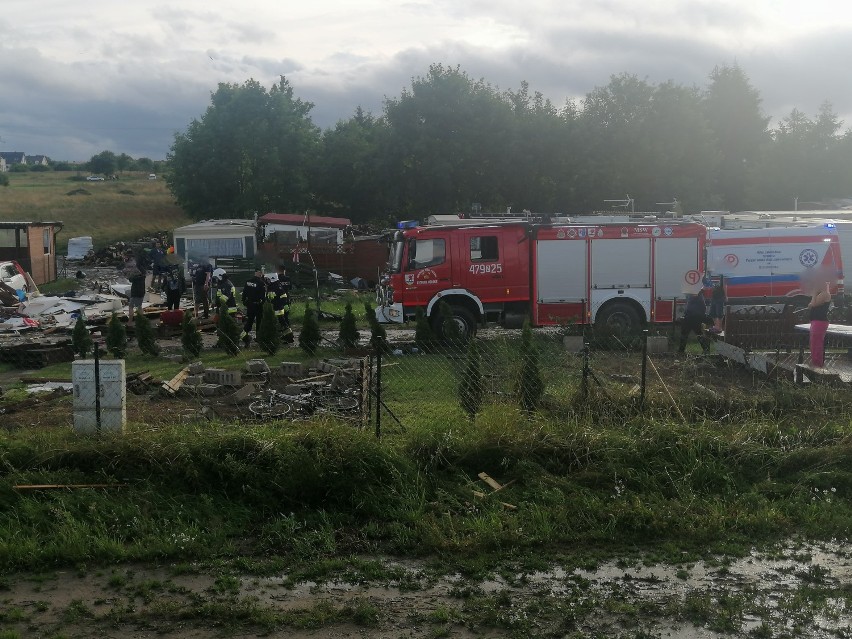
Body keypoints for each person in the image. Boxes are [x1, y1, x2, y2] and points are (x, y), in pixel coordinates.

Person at [807, 279, 832, 368]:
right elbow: (811, 304)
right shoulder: (820, 295)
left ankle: (818, 364)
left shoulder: (825, 294)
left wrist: (814, 294)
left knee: (817, 343)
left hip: (820, 322)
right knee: (813, 343)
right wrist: (814, 298)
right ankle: (815, 362)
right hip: (816, 321)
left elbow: (812, 304)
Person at [265, 270, 294, 343]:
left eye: (267, 279)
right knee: (281, 323)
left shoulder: (277, 286)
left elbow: (284, 296)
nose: (266, 281)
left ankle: (289, 336)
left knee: (282, 323)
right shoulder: (271, 286)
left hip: (278, 308)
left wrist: (281, 304)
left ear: (272, 279)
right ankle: (286, 336)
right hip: (274, 308)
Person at [678, 290, 711, 354]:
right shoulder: (697, 297)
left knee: (686, 334)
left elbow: (691, 307)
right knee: (697, 333)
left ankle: (681, 351)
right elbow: (703, 308)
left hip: (692, 317)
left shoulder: (696, 297)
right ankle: (706, 349)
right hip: (693, 317)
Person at [240, 267, 266, 346]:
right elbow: (263, 297)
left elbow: (244, 293)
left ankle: (245, 336)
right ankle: (258, 337)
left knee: (249, 321)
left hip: (250, 305)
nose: (262, 273)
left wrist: (245, 302)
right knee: (259, 321)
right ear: (258, 272)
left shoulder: (248, 282)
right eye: (261, 272)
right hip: (258, 305)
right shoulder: (261, 283)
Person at [124, 251, 146, 327]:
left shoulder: (135, 270)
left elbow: (131, 279)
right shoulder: (143, 270)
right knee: (139, 306)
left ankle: (130, 322)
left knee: (131, 306)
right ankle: (142, 322)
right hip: (142, 289)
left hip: (135, 289)